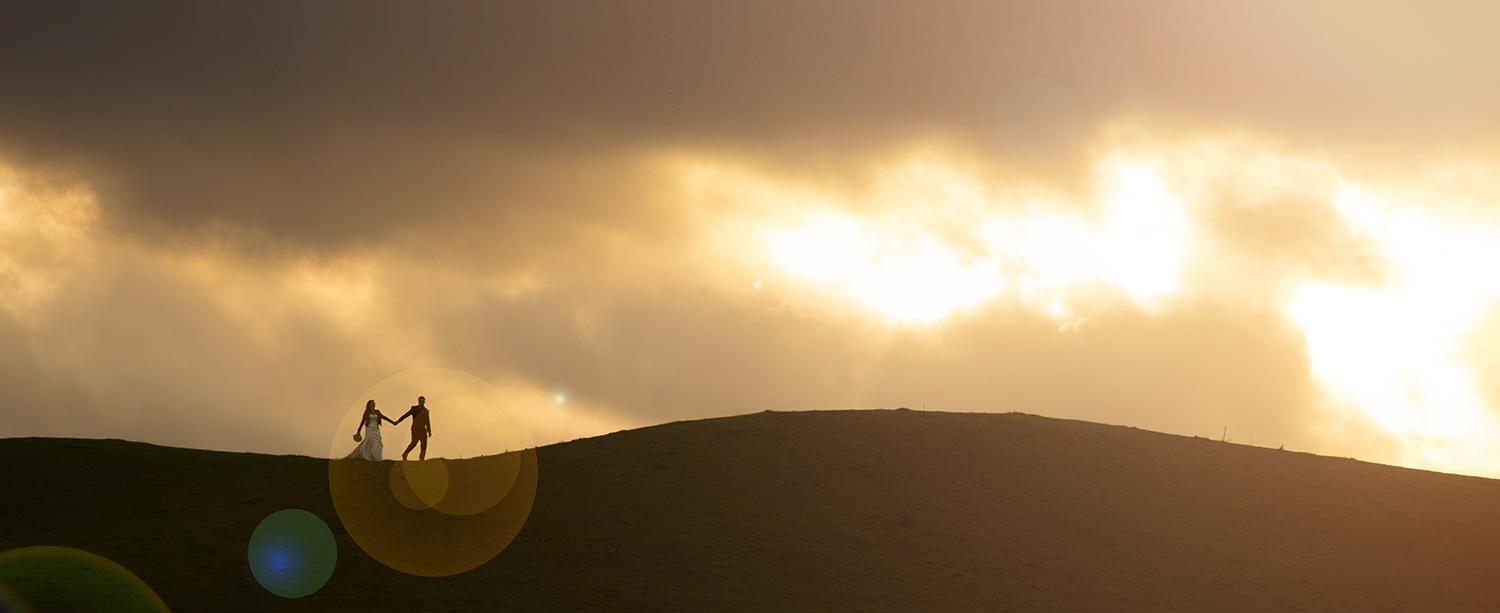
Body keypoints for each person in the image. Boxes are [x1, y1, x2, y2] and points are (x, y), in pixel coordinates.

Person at [393, 396, 433, 461]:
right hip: (415, 429)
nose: (421, 402)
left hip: (423, 430)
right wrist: (398, 421)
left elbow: (427, 421)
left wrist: (429, 431)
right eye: (420, 401)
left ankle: (422, 459)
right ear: (418, 401)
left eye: (423, 401)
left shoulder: (426, 411)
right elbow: (406, 415)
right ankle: (405, 454)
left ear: (424, 402)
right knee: (413, 443)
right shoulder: (414, 409)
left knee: (424, 444)